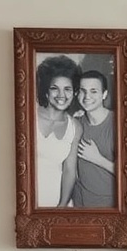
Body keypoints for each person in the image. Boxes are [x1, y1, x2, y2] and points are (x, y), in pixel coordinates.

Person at [35, 55, 83, 207]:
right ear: (46, 91)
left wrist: (61, 207)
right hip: (26, 200)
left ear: (75, 92)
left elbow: (70, 171)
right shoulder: (29, 117)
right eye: (54, 88)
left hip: (58, 203)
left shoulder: (75, 127)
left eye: (67, 89)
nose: (61, 95)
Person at [72, 70, 115, 207]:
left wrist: (97, 158)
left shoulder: (118, 124)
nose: (87, 96)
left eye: (93, 91)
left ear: (104, 94)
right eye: (83, 91)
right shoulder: (75, 122)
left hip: (107, 206)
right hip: (79, 204)